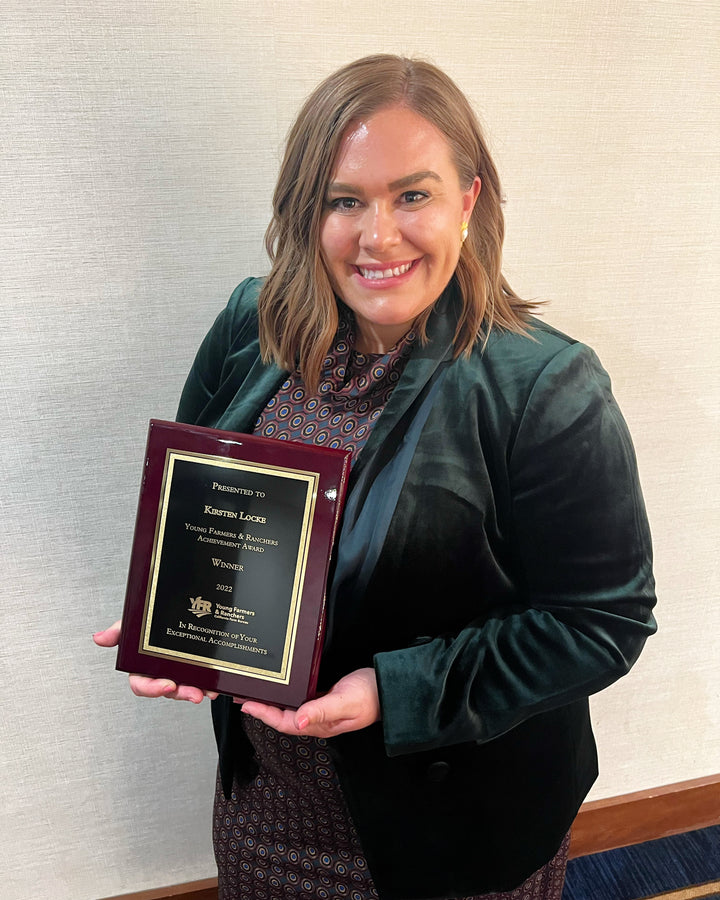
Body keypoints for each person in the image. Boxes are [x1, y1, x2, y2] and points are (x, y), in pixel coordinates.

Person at [94, 54, 657, 900]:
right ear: (306, 211)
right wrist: (178, 629)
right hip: (268, 812)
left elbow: (602, 621)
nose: (377, 235)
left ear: (469, 202)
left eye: (413, 195)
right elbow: (203, 509)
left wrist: (393, 692)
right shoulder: (250, 325)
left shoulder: (544, 385)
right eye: (345, 199)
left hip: (453, 836)